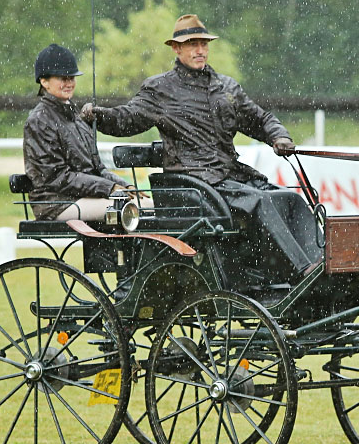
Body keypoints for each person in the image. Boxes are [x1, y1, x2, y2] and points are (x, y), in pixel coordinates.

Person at [80, 14, 319, 278]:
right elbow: (127, 119)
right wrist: (99, 115)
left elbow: (259, 119)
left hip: (229, 178)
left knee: (289, 198)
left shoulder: (226, 88)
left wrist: (279, 137)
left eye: (203, 44)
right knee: (261, 202)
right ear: (176, 48)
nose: (200, 50)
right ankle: (302, 271)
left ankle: (322, 263)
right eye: (192, 44)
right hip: (195, 183)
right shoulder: (160, 89)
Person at [23, 44, 152, 221]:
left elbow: (97, 168)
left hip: (85, 197)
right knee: (130, 208)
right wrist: (109, 188)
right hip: (56, 203)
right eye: (62, 78)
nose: (69, 82)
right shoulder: (39, 121)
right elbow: (57, 177)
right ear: (44, 81)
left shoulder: (77, 118)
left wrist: (125, 186)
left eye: (71, 77)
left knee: (148, 205)